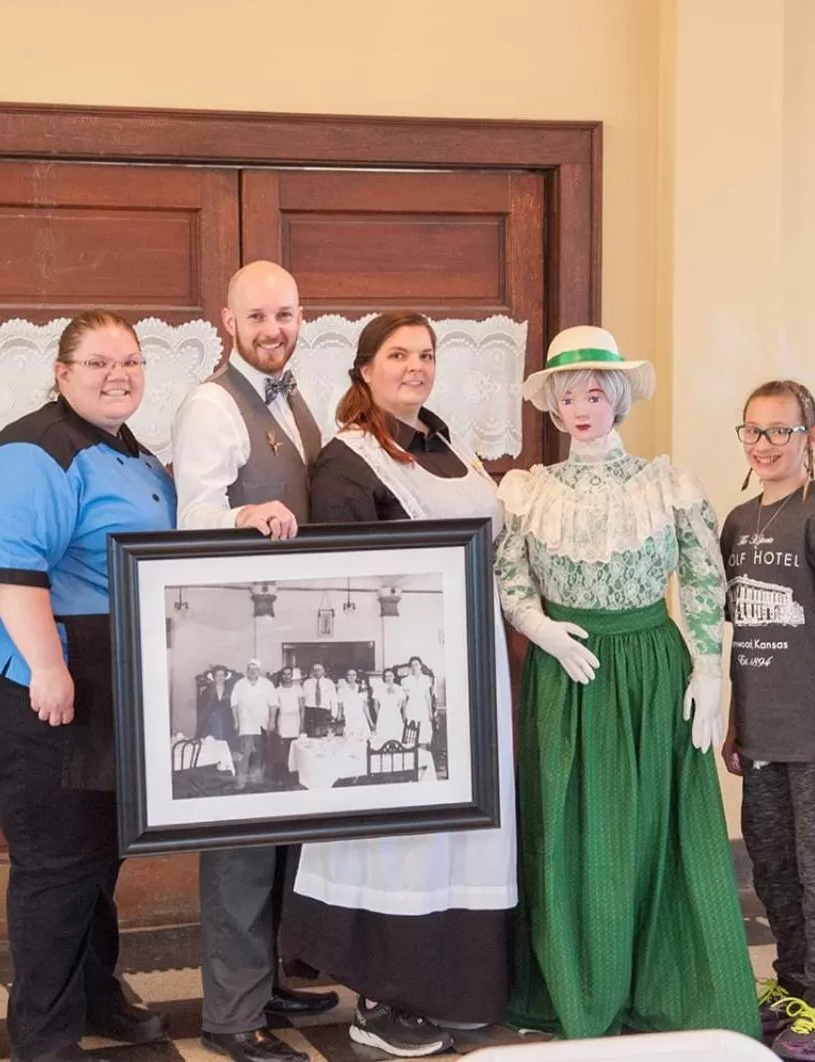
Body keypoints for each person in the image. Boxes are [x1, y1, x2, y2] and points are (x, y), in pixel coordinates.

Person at [495, 325, 758, 1039]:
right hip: (567, 674)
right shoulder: (527, 491)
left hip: (651, 668)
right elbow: (509, 578)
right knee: (569, 827)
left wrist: (711, 671)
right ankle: (578, 987)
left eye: (593, 393)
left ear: (614, 399)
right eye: (567, 396)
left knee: (655, 829)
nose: (581, 408)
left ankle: (667, 985)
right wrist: (538, 627)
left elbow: (705, 578)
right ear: (552, 406)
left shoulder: (665, 485)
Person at [285, 311, 518, 1057]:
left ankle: (458, 987)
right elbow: (344, 586)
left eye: (424, 354)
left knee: (467, 832)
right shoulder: (347, 462)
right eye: (397, 355)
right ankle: (385, 997)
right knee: (402, 834)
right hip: (403, 674)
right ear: (363, 370)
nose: (414, 367)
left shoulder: (446, 445)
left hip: (475, 665)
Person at [0, 310, 171, 1062]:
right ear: (61, 373)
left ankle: (94, 993)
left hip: (106, 675)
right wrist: (49, 670)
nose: (119, 375)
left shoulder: (130, 452)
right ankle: (43, 1039)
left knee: (98, 853)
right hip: (37, 674)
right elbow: (11, 572)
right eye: (99, 363)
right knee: (56, 862)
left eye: (132, 362)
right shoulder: (33, 449)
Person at [171, 260, 338, 1062]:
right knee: (240, 830)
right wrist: (244, 511)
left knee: (283, 821)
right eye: (258, 317)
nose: (275, 329)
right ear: (226, 322)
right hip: (240, 638)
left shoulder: (295, 394)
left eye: (287, 313)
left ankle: (264, 981)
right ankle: (231, 1016)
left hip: (286, 639)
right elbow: (192, 515)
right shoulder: (211, 404)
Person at [719, 381, 815, 1060]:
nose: (764, 445)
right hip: (760, 734)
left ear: (809, 436)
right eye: (752, 431)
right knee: (772, 866)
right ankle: (793, 982)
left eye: (780, 431)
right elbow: (740, 633)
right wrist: (732, 721)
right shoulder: (738, 522)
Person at [231, 660, 275, 785]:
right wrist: (236, 721)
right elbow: (234, 705)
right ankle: (241, 784)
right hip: (245, 726)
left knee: (260, 755)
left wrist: (272, 721)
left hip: (262, 725)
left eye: (255, 669)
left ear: (259, 671)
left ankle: (257, 784)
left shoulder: (267, 684)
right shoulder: (239, 684)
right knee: (245, 755)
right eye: (249, 669)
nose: (252, 671)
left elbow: (273, 705)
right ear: (246, 671)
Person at [271, 667, 304, 786]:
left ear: (292, 676)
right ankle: (284, 778)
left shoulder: (298, 688)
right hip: (283, 721)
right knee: (283, 752)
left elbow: (302, 708)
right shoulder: (277, 690)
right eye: (284, 674)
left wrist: (302, 724)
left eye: (289, 674)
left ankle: (296, 776)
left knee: (296, 749)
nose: (286, 676)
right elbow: (275, 709)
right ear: (281, 676)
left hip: (295, 721)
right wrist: (275, 725)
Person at [399, 657, 434, 747]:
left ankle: (423, 756)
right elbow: (404, 699)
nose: (415, 667)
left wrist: (430, 712)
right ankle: (412, 756)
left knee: (424, 732)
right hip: (411, 707)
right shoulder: (405, 680)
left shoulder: (426, 679)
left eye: (416, 664)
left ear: (420, 666)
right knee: (411, 733)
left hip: (423, 707)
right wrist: (404, 714)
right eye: (412, 665)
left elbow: (427, 696)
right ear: (410, 667)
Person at [197, 667, 236, 743]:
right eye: (217, 675)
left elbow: (234, 707)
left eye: (222, 675)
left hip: (227, 723)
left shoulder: (231, 691)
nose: (220, 678)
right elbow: (203, 712)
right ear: (214, 677)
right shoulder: (206, 692)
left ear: (225, 677)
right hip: (211, 725)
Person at [370, 668, 406, 748]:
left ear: (394, 677)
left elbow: (401, 703)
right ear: (384, 678)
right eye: (386, 676)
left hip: (395, 715)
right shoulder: (379, 688)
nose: (388, 678)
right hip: (383, 714)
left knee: (396, 737)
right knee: (383, 738)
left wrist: (396, 711)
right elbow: (375, 705)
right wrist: (380, 715)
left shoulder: (398, 688)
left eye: (390, 675)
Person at [302, 663, 338, 737]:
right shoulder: (307, 683)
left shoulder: (329, 683)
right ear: (312, 671)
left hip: (324, 713)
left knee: (324, 735)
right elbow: (303, 700)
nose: (317, 672)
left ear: (323, 671)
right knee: (310, 735)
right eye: (314, 670)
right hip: (310, 712)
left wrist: (334, 715)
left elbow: (334, 700)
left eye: (319, 670)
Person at [337, 668, 372, 743]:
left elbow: (365, 706)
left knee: (362, 740)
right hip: (348, 717)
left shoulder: (362, 688)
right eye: (349, 675)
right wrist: (339, 718)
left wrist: (370, 722)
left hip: (360, 717)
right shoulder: (341, 690)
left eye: (354, 675)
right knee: (350, 739)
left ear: (356, 677)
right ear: (346, 676)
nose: (351, 676)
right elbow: (340, 706)